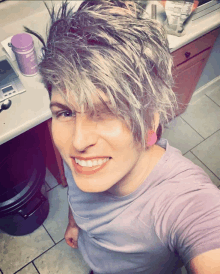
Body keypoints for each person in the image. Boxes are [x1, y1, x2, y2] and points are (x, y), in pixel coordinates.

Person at [25, 1, 220, 273]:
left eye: (109, 111)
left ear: (151, 118)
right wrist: (74, 223)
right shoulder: (85, 156)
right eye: (66, 112)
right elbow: (76, 191)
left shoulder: (185, 203)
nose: (78, 143)